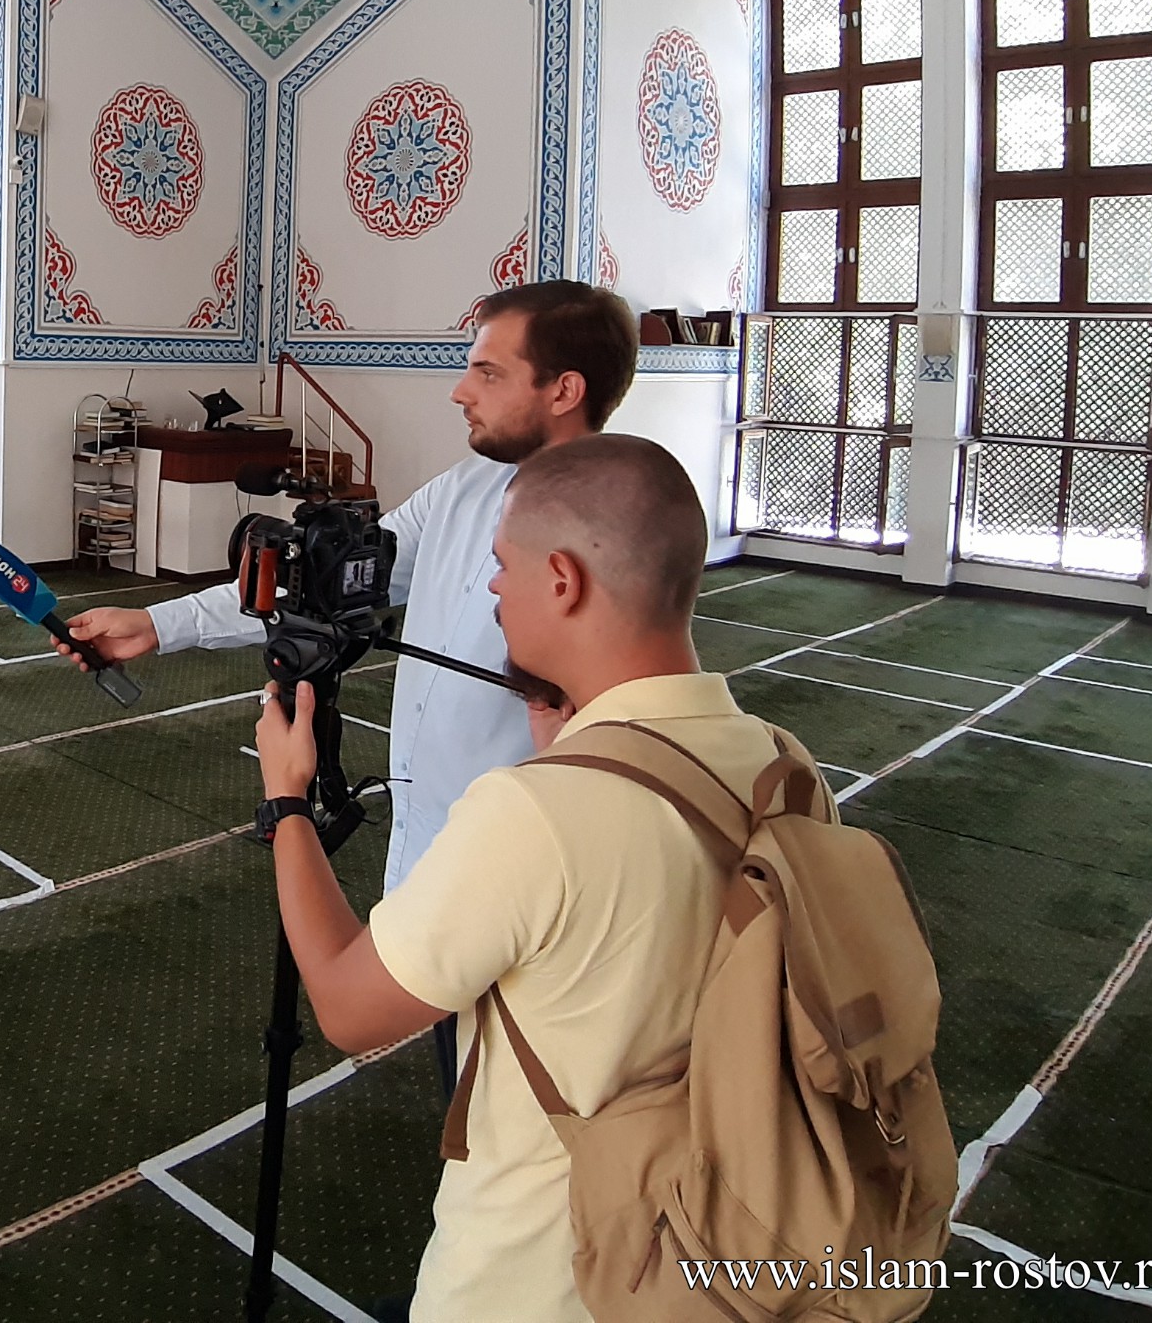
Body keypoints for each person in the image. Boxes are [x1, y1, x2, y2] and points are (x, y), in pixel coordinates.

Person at [250, 433, 824, 1323]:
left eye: (501, 566)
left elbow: (350, 1009)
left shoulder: (535, 813)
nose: (491, 589)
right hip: (711, 1250)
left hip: (541, 1281)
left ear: (562, 580)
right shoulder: (785, 764)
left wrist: (288, 804)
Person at [65, 280, 637, 1091]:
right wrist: (160, 624)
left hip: (532, 876)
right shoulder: (464, 489)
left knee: (526, 1105)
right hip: (429, 856)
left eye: (488, 372)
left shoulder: (623, 529)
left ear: (564, 390)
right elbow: (321, 579)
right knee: (462, 1092)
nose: (460, 391)